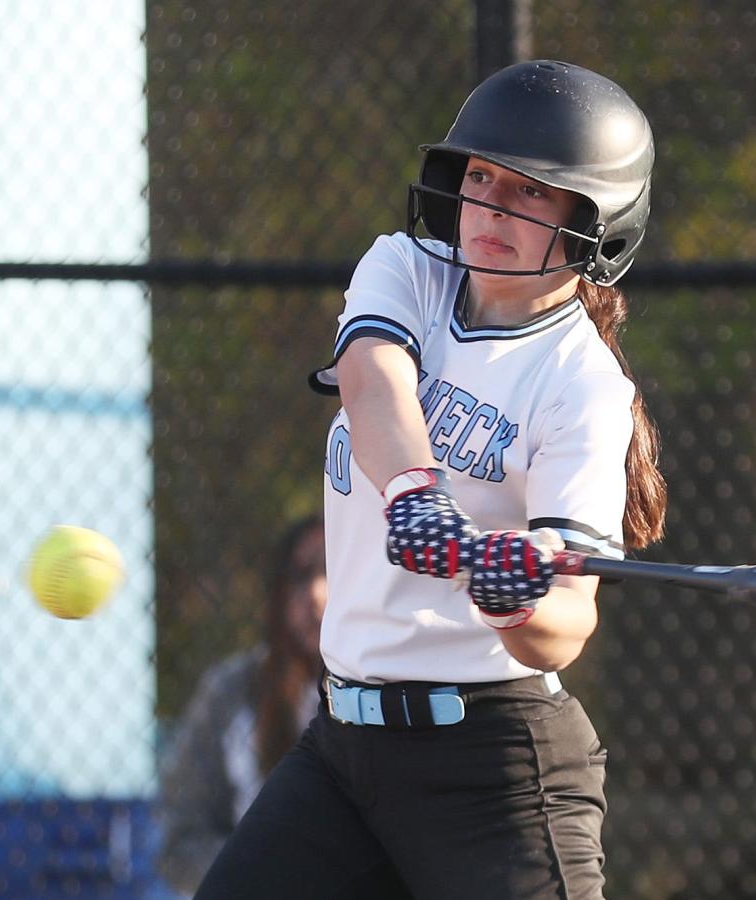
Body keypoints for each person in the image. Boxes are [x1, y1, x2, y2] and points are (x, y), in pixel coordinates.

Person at [196, 59, 666, 900]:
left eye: (531, 193)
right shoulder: (409, 266)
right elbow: (374, 381)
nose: (491, 206)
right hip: (341, 751)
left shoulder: (582, 386)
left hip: (490, 767)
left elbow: (566, 623)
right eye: (482, 178)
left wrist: (514, 595)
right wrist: (416, 494)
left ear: (598, 228)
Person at [157, 515, 326, 895]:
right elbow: (180, 841)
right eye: (300, 576)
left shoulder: (389, 696)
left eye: (333, 571)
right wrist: (258, 880)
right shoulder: (229, 691)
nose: (316, 593)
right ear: (277, 594)